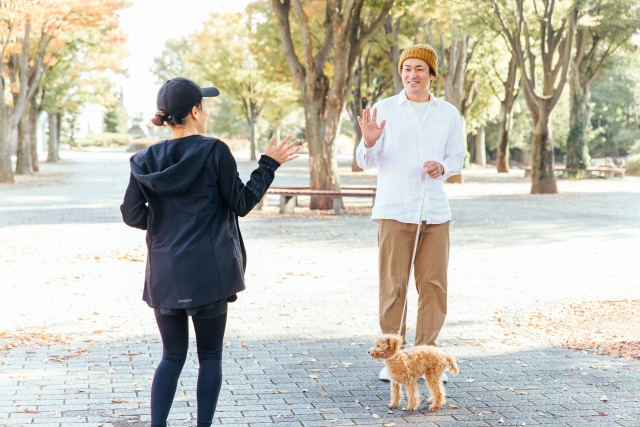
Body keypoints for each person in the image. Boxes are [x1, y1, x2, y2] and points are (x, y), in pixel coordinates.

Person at [120, 77, 300, 427]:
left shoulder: (143, 159)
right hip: (209, 270)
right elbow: (242, 203)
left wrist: (165, 227)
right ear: (194, 111)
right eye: (205, 104)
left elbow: (131, 214)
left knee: (171, 356)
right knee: (210, 356)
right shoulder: (214, 150)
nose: (208, 110)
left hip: (165, 272)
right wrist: (268, 164)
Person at [355, 45, 465, 382]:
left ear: (431, 74)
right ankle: (395, 360)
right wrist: (369, 142)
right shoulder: (384, 109)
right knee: (393, 287)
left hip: (435, 212)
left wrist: (442, 166)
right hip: (394, 209)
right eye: (406, 69)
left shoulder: (448, 113)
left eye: (419, 68)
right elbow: (364, 161)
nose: (412, 75)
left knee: (433, 286)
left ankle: (428, 356)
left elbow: (458, 159)